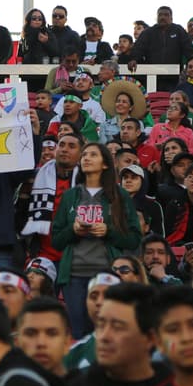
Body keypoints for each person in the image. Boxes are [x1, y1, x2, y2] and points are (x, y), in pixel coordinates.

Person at [51, 143, 141, 336]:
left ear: (105, 164)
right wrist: (73, 230)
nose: (86, 158)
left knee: (108, 333)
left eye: (93, 155)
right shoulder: (70, 196)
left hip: (108, 275)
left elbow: (134, 239)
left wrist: (108, 231)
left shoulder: (120, 195)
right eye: (83, 155)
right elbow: (56, 240)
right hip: (73, 277)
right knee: (79, 335)